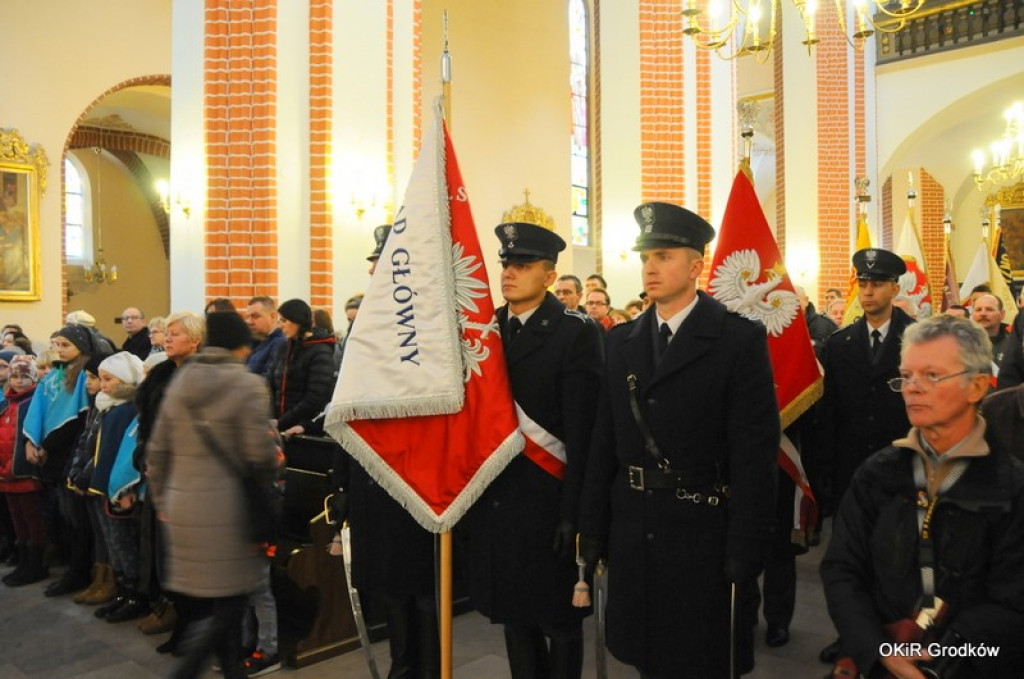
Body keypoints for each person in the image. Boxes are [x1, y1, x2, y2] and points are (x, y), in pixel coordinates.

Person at [578, 202, 780, 678]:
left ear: (695, 267)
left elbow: (754, 454)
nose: (650, 267)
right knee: (647, 657)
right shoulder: (621, 341)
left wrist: (746, 545)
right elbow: (604, 442)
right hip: (635, 525)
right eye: (645, 257)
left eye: (664, 256)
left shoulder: (736, 340)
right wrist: (593, 527)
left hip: (702, 531)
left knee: (699, 657)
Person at [821, 315, 1024, 678]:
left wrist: (944, 655)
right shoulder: (877, 473)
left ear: (977, 386)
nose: (912, 389)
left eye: (931, 375)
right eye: (906, 376)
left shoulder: (1012, 486)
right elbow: (842, 570)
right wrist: (878, 650)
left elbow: (1012, 604)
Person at [466, 220, 602, 679]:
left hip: (548, 498)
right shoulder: (485, 331)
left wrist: (574, 513)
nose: (508, 273)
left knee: (559, 620)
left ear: (549, 276)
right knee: (514, 617)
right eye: (506, 263)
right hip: (497, 499)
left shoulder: (574, 332)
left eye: (522, 266)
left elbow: (584, 434)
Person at [147, 311, 279, 679]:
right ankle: (187, 671)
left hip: (182, 505)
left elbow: (158, 451)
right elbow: (259, 456)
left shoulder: (181, 381)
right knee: (231, 604)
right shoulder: (248, 385)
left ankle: (232, 671)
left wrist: (162, 500)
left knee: (217, 603)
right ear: (240, 345)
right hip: (228, 509)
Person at [817, 248, 914, 665]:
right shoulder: (840, 344)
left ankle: (897, 637)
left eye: (877, 284)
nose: (869, 291)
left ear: (894, 288)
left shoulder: (917, 338)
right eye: (863, 284)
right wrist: (826, 476)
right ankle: (851, 638)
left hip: (903, 467)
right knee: (851, 559)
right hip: (852, 470)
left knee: (898, 559)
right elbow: (829, 416)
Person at [134, 311, 204, 648]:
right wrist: (145, 457)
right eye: (167, 333)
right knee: (165, 553)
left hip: (189, 479)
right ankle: (175, 615)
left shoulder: (204, 378)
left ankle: (193, 626)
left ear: (196, 340)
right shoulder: (161, 375)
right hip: (160, 475)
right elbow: (147, 426)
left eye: (175, 334)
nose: (167, 338)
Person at [23, 325, 96, 597]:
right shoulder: (55, 375)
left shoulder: (83, 376)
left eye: (65, 345)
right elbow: (38, 410)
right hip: (51, 456)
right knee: (62, 518)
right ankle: (69, 568)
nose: (59, 350)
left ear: (81, 347)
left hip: (69, 455)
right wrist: (30, 441)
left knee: (76, 520)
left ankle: (79, 572)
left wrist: (46, 445)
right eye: (56, 344)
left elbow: (77, 420)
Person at [0, 355, 45, 586]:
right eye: (15, 376)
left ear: (34, 378)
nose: (18, 381)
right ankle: (24, 561)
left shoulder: (33, 403)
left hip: (25, 471)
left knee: (32, 519)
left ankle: (36, 565)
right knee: (17, 518)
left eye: (24, 376)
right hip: (5, 473)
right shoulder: (6, 404)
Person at [268, 299, 336, 438]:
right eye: (280, 321)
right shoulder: (283, 348)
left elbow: (315, 397)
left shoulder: (320, 351)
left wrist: (282, 422)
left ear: (298, 321)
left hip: (303, 428)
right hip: (279, 425)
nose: (280, 325)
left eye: (284, 320)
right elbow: (271, 383)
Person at [971, 293, 1024, 391]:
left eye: (989, 309)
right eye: (978, 310)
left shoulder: (1015, 343)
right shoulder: (961, 344)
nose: (983, 314)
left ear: (1002, 314)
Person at [244, 296, 285, 377]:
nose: (249, 322)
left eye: (255, 316)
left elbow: (269, 379)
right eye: (247, 317)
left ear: (273, 316)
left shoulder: (280, 344)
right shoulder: (253, 340)